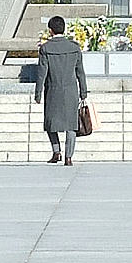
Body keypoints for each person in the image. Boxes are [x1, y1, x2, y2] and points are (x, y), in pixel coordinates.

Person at [35, 15, 88, 166]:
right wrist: (83, 92)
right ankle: (69, 156)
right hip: (71, 90)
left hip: (53, 89)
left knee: (50, 123)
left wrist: (38, 93)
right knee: (71, 125)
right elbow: (80, 72)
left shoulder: (46, 48)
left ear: (50, 31)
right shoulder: (74, 47)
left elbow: (41, 73)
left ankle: (56, 151)